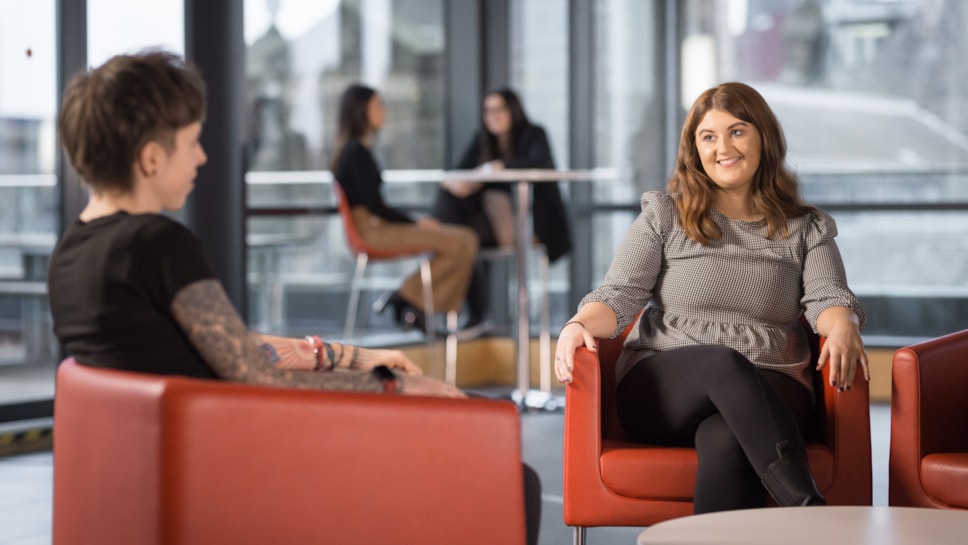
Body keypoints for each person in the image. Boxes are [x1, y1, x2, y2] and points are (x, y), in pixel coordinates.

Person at [48, 51, 541, 545]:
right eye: (193, 143)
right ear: (151, 157)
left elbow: (225, 346)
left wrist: (358, 357)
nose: (201, 157)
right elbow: (253, 375)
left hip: (184, 454)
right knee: (510, 471)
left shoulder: (71, 254)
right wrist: (394, 388)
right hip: (251, 454)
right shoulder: (157, 244)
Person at [554, 81, 869, 513]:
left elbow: (827, 297)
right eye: (709, 136)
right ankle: (808, 507)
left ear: (764, 138)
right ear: (695, 149)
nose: (724, 147)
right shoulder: (665, 215)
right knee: (722, 359)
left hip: (773, 382)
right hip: (666, 388)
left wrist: (845, 323)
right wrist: (578, 324)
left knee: (724, 437)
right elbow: (619, 294)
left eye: (737, 131)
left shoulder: (805, 227)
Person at [330, 84, 478, 334]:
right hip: (374, 230)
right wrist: (415, 223)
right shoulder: (355, 152)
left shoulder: (357, 150)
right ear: (360, 110)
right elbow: (375, 206)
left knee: (465, 240)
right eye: (378, 105)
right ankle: (409, 300)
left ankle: (412, 303)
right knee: (464, 241)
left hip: (378, 225)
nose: (384, 110)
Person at [433, 88, 572, 330]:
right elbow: (459, 172)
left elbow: (541, 163)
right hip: (492, 226)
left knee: (460, 238)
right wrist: (458, 181)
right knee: (456, 213)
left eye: (499, 109)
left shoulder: (533, 134)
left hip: (527, 223)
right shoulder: (483, 139)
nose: (493, 116)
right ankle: (449, 243)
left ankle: (440, 241)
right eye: (488, 111)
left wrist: (500, 166)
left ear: (513, 111)